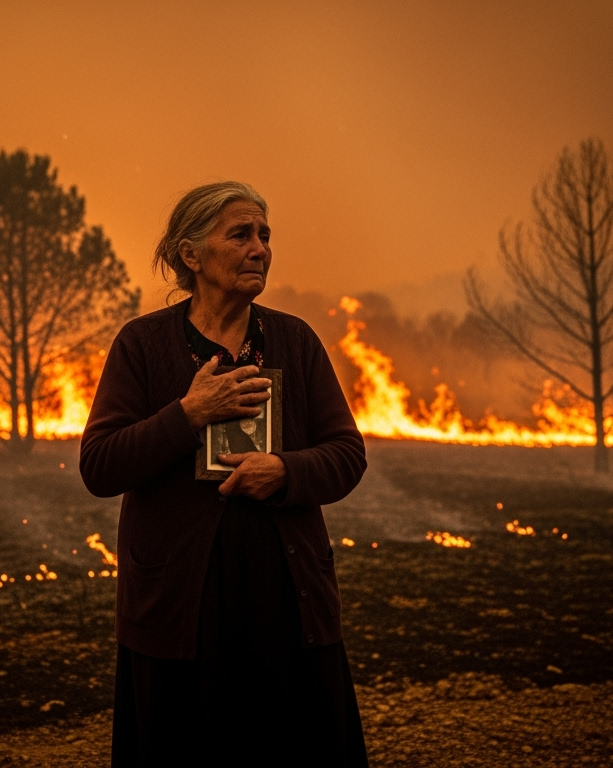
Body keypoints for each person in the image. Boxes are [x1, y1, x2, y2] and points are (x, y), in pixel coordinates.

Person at [81, 181, 369, 767]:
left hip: (286, 604)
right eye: (241, 234)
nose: (260, 248)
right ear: (191, 256)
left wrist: (284, 471)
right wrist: (186, 416)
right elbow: (100, 464)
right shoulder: (143, 346)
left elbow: (346, 453)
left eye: (264, 235)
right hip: (178, 608)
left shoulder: (294, 340)